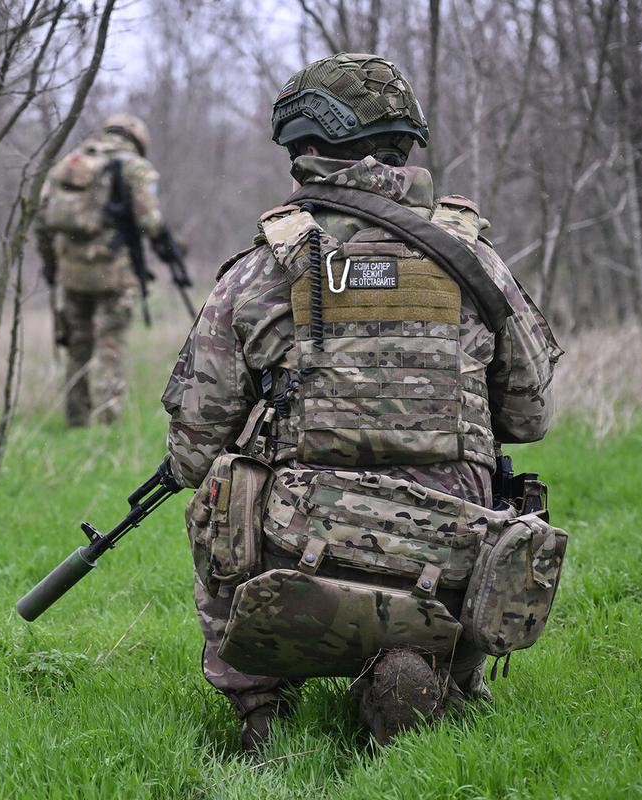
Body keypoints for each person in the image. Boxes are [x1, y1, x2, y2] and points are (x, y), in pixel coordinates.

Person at [160, 53, 563, 751]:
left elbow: (195, 451)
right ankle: (441, 673)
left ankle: (261, 708)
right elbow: (530, 417)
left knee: (222, 496)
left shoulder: (262, 271)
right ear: (404, 145)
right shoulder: (475, 261)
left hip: (296, 561)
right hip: (451, 558)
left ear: (307, 149)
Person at [37, 113, 177, 426]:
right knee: (110, 347)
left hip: (71, 273)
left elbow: (42, 220)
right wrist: (168, 246)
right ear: (139, 139)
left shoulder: (72, 162)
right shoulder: (133, 166)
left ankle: (76, 420)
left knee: (77, 346)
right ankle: (108, 422)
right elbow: (150, 220)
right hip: (114, 274)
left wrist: (51, 266)